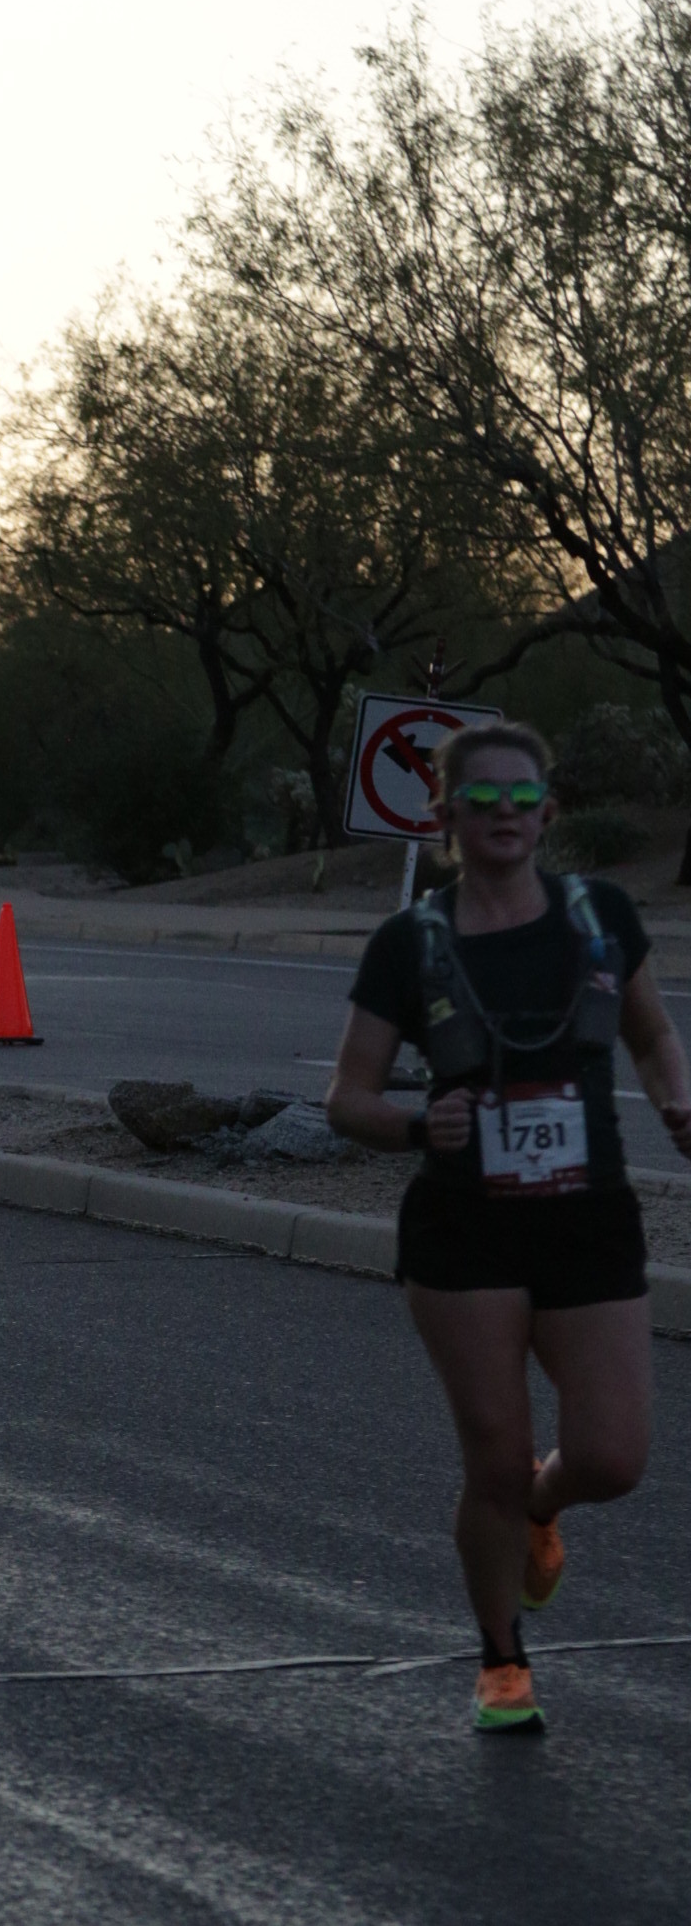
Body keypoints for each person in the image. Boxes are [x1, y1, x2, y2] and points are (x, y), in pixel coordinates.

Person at [326, 719, 690, 1733]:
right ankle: (501, 1660)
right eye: (480, 799)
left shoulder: (599, 916)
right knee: (491, 1455)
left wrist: (677, 1097)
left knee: (612, 1457)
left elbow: (653, 1034)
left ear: (548, 812)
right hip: (464, 1234)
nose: (502, 814)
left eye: (520, 799)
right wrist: (415, 1125)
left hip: (589, 1223)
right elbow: (346, 1097)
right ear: (445, 815)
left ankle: (542, 1505)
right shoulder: (410, 943)